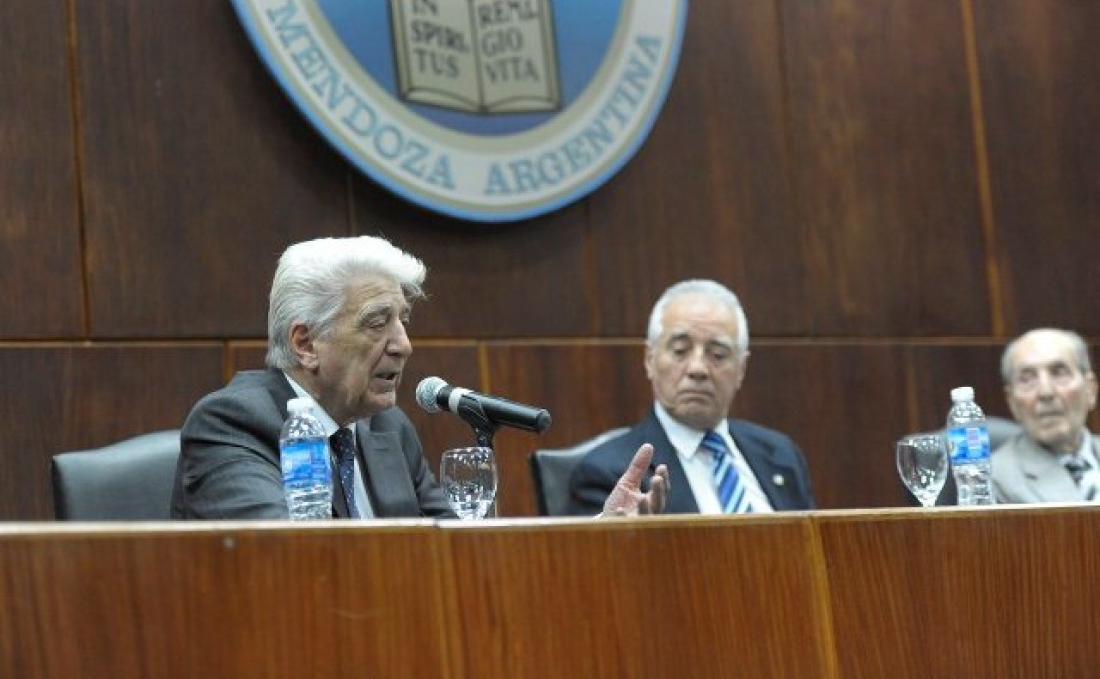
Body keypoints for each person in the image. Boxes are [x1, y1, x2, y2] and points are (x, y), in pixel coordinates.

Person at [172, 235, 668, 519]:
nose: (404, 345)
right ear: (305, 343)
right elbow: (292, 561)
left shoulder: (387, 430)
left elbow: (457, 554)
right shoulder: (232, 424)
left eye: (403, 320)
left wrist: (600, 535)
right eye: (376, 322)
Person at [566, 279, 816, 515]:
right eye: (680, 351)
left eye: (717, 354)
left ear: (741, 369)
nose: (698, 369)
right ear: (650, 360)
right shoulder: (606, 474)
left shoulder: (781, 454)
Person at [992, 328, 1099, 504]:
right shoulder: (996, 480)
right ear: (1012, 401)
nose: (1046, 392)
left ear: (1090, 389)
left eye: (1059, 372)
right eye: (1027, 379)